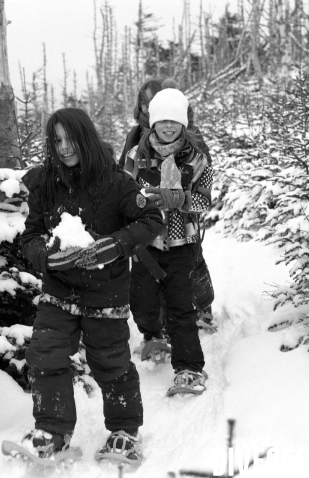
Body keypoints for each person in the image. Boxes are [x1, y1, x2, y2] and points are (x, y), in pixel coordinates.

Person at [20, 108, 164, 463]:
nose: (64, 147)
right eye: (56, 140)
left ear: (85, 137)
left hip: (106, 291)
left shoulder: (116, 182)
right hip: (59, 290)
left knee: (110, 362)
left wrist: (114, 245)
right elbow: (31, 236)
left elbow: (151, 220)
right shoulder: (44, 183)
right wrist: (46, 256)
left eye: (70, 139)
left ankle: (125, 431)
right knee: (44, 355)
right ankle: (52, 433)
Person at [124, 87, 213, 393]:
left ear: (183, 123)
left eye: (174, 121)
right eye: (162, 121)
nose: (168, 126)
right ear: (153, 122)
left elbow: (204, 202)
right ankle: (152, 336)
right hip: (145, 243)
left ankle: (189, 367)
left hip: (181, 244)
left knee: (180, 305)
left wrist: (179, 199)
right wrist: (143, 202)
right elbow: (122, 195)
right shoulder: (136, 157)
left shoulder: (198, 159)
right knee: (142, 300)